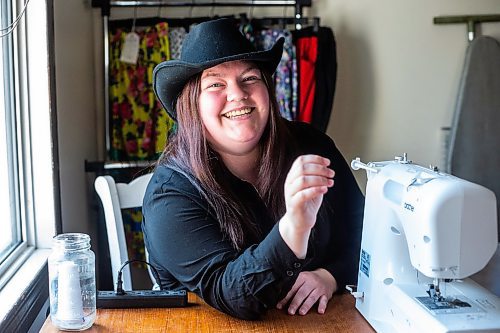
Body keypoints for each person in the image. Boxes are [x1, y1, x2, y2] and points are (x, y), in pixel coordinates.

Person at [142, 18, 364, 320]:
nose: (238, 94)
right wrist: (294, 226)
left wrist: (331, 276)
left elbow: (366, 234)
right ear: (190, 105)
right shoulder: (171, 194)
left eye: (249, 78)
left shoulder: (311, 145)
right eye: (216, 84)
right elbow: (234, 295)